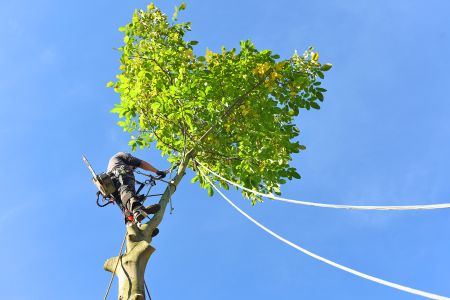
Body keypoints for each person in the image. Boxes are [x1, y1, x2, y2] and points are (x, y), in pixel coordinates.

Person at [107, 152, 166, 223]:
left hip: (111, 187)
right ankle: (137, 210)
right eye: (133, 167)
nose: (133, 169)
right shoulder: (122, 155)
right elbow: (140, 163)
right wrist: (157, 171)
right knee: (127, 191)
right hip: (120, 173)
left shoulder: (110, 167)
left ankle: (134, 227)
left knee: (125, 206)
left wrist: (136, 198)